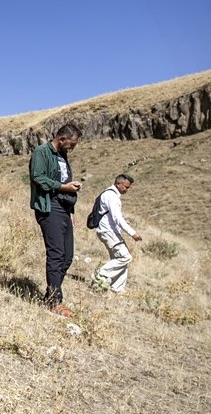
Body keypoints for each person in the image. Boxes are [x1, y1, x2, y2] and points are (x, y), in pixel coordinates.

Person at [29, 124, 83, 317]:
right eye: (72, 143)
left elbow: (65, 180)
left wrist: (71, 210)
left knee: (67, 256)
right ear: (62, 139)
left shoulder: (62, 155)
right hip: (49, 206)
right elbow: (38, 177)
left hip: (63, 209)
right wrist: (63, 187)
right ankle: (55, 301)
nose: (73, 147)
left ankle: (50, 294)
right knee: (56, 254)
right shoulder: (42, 152)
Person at [90, 174, 142, 293]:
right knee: (125, 257)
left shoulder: (110, 194)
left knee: (119, 258)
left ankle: (118, 289)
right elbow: (117, 218)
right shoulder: (111, 196)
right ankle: (101, 274)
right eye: (126, 187)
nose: (127, 190)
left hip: (110, 231)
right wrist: (132, 233)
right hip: (108, 231)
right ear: (118, 184)